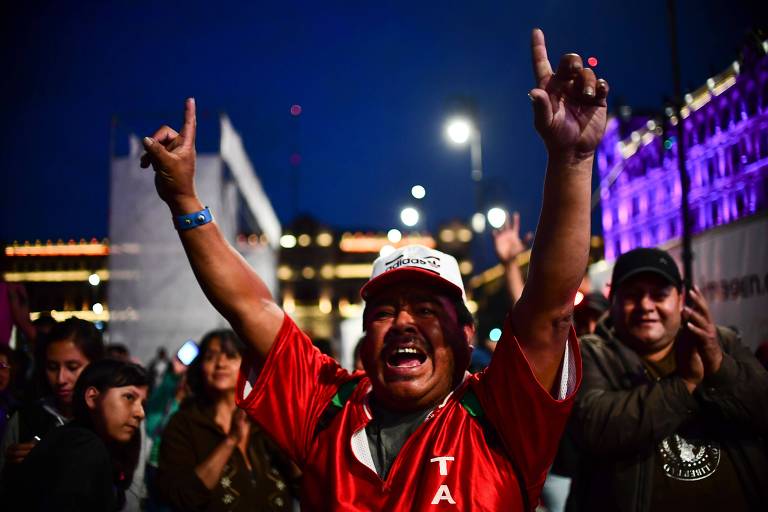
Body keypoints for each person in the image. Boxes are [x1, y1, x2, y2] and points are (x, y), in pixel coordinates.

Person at [140, 28, 609, 509]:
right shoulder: (326, 409)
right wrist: (184, 201)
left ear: (466, 334)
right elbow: (250, 306)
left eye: (426, 309)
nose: (403, 322)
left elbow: (550, 308)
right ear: (365, 341)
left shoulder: (500, 416)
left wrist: (572, 160)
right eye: (384, 311)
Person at [568, 247, 768, 511]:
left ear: (681, 298)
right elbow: (595, 428)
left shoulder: (721, 341)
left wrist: (717, 363)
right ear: (612, 297)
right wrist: (684, 383)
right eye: (633, 295)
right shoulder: (592, 352)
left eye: (659, 294)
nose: (646, 305)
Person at [155, 329, 296, 511]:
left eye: (231, 356)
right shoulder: (184, 424)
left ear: (247, 365)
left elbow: (303, 484)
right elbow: (181, 495)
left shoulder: (264, 421)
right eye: (210, 357)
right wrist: (231, 440)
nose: (220, 363)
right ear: (200, 367)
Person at [8, 359, 149, 511]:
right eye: (129, 397)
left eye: (143, 403)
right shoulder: (84, 448)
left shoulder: (78, 441)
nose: (140, 413)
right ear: (92, 397)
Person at [0, 317, 104, 476]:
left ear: (96, 366)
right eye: (52, 367)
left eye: (72, 367)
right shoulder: (24, 420)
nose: (61, 379)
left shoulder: (110, 418)